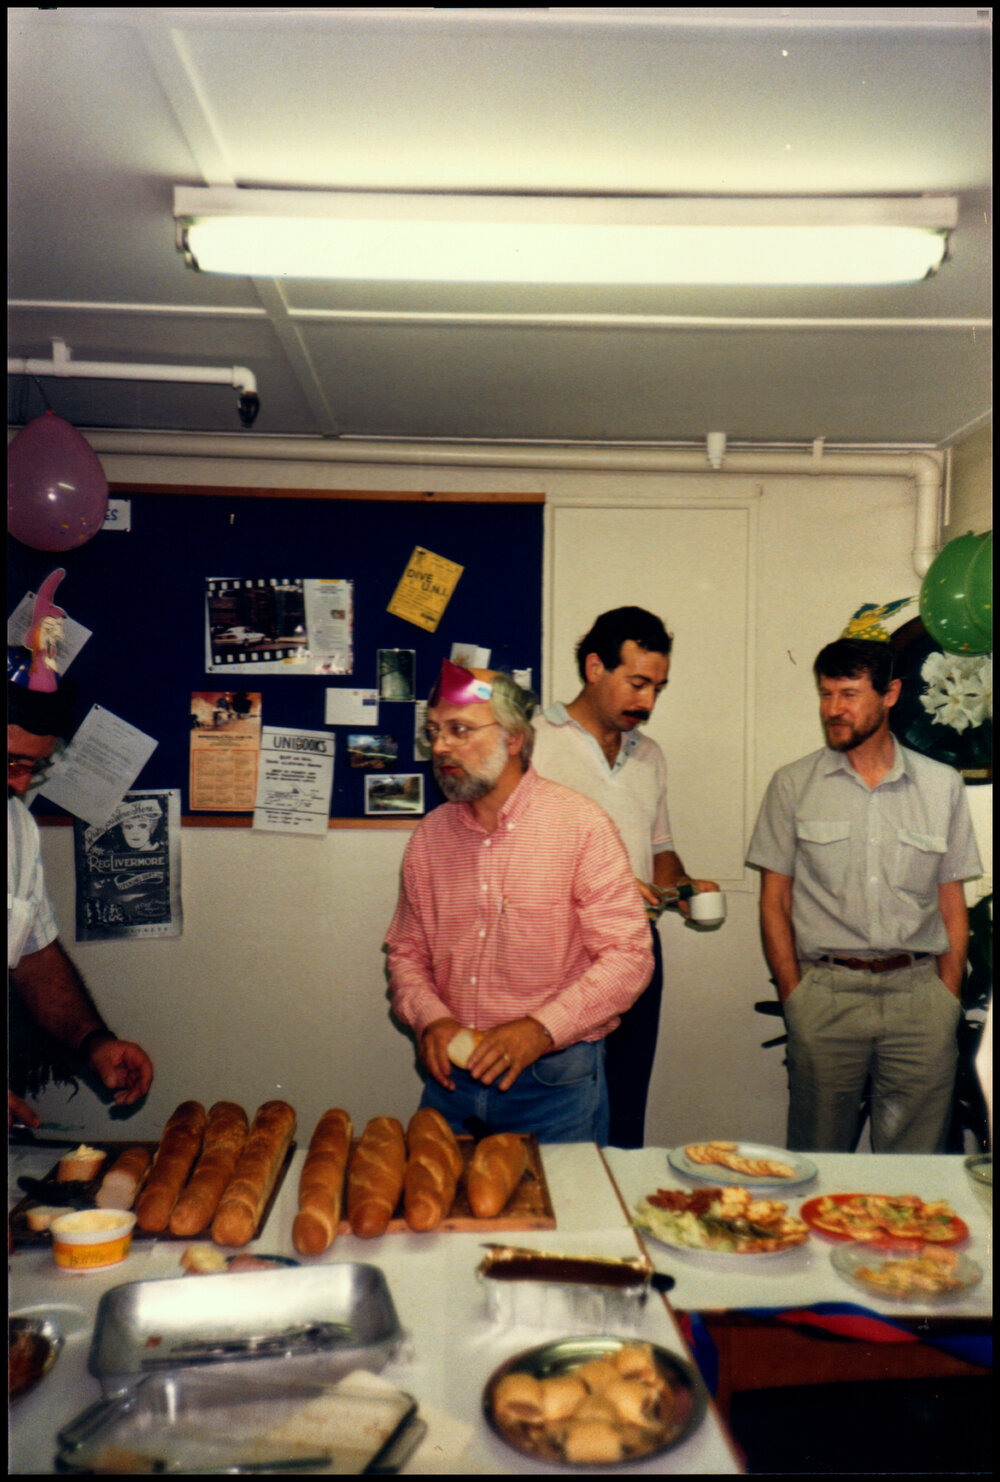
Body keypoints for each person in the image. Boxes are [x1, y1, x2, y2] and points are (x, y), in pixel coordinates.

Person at [385, 658, 653, 1143]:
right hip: (451, 1086)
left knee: (564, 1217)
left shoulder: (580, 826)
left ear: (513, 739)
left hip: (553, 1088)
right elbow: (407, 952)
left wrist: (540, 1029)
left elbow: (629, 958)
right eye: (434, 731)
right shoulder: (429, 838)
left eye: (460, 729)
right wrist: (432, 1018)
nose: (441, 746)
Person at [747, 637, 982, 1153]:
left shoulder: (940, 787)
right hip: (827, 998)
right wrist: (796, 996)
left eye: (849, 694)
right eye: (826, 694)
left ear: (890, 694)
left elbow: (951, 903)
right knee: (818, 1159)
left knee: (913, 1168)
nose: (833, 709)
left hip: (919, 1000)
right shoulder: (793, 786)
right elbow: (774, 902)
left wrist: (946, 997)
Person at [530, 607, 718, 1147]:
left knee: (626, 1109)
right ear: (594, 667)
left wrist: (680, 886)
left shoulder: (650, 755)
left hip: (637, 950)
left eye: (657, 687)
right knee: (556, 1110)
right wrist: (602, 886)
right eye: (638, 684)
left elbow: (660, 852)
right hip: (557, 952)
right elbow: (507, 859)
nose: (648, 703)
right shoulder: (534, 742)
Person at [8, 639, 154, 1130]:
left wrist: (93, 1041)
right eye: (12, 762)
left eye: (35, 766)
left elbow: (33, 954)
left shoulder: (16, 830)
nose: (23, 786)